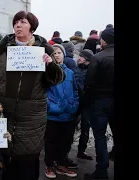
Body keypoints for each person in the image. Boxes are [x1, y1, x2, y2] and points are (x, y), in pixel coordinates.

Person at [0, 11, 65, 180]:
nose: (18, 25)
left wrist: (50, 65)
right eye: (16, 22)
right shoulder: (2, 49)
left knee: (28, 157)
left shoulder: (45, 50)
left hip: (32, 115)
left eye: (23, 22)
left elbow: (58, 79)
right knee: (2, 156)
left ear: (32, 27)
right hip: (3, 110)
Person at [44, 44, 79, 179]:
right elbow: (43, 92)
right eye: (54, 53)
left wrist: (74, 105)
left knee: (65, 142)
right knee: (51, 142)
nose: (57, 55)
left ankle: (61, 165)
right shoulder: (47, 72)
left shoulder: (70, 72)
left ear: (64, 54)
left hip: (69, 114)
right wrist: (51, 106)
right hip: (53, 115)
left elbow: (75, 91)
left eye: (59, 52)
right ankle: (49, 165)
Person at [84, 28, 114, 180]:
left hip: (100, 102)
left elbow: (89, 83)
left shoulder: (98, 57)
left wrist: (87, 102)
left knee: (100, 136)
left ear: (104, 40)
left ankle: (102, 171)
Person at [74, 49, 94, 161]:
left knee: (85, 129)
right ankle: (64, 153)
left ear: (86, 59)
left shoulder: (92, 71)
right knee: (70, 128)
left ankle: (81, 151)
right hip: (76, 104)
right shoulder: (75, 70)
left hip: (87, 104)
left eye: (81, 57)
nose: (79, 58)